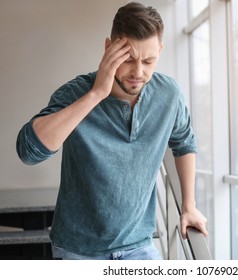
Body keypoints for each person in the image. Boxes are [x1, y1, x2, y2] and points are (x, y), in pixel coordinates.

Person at [16, 2, 207, 260]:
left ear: (160, 51)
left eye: (149, 60)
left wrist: (189, 205)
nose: (138, 72)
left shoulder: (168, 94)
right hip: (77, 250)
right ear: (109, 48)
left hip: (139, 246)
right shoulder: (76, 93)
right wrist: (96, 93)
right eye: (128, 59)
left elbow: (184, 144)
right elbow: (29, 152)